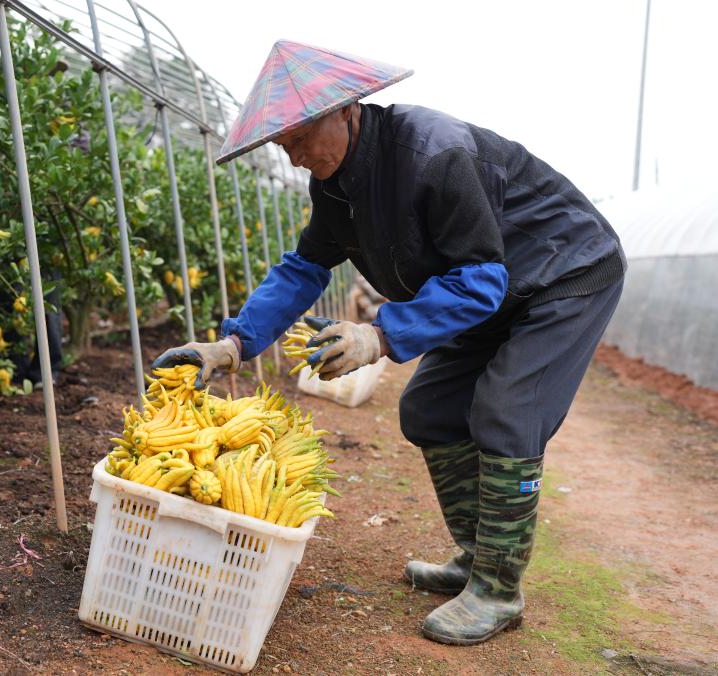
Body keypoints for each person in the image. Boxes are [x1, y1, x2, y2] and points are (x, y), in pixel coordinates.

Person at [152, 40, 625, 645]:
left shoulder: (435, 154)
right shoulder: (333, 186)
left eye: (301, 138)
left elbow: (481, 279)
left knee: (507, 411)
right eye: (283, 146)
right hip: (497, 289)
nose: (295, 157)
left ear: (346, 109)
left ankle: (499, 589)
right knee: (428, 409)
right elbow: (305, 268)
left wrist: (379, 336)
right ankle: (477, 557)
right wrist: (233, 346)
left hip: (564, 274)